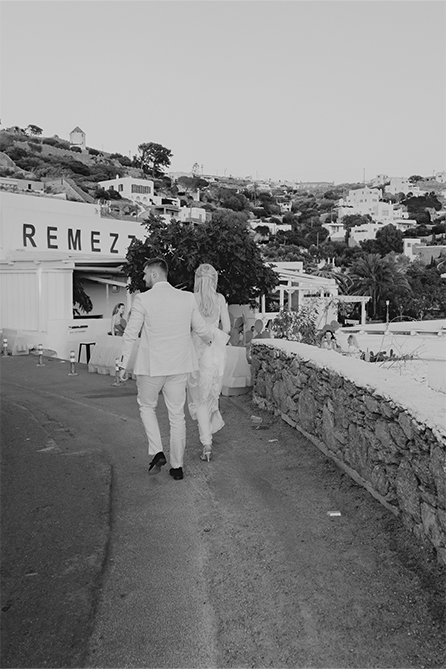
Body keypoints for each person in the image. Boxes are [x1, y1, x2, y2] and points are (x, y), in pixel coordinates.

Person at [118, 258, 212, 481]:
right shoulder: (186, 298)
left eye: (144, 274)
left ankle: (158, 451)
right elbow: (201, 328)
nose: (143, 278)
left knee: (147, 406)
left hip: (151, 366)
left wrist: (122, 363)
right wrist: (210, 341)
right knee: (177, 415)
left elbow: (130, 333)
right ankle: (177, 467)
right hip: (179, 365)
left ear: (154, 274)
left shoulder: (143, 299)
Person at [187, 264, 231, 462]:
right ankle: (208, 433)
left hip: (196, 350)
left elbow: (187, 327)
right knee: (211, 395)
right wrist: (214, 333)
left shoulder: (192, 298)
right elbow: (227, 328)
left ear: (197, 278)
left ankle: (207, 443)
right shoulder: (220, 299)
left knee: (199, 399)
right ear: (214, 279)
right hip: (215, 353)